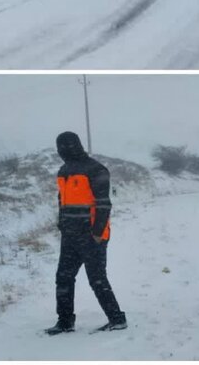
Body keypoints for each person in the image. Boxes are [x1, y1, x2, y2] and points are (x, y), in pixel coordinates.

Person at [45, 132, 127, 335]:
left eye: (67, 145)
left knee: (96, 278)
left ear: (76, 145)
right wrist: (61, 223)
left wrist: (98, 232)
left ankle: (117, 319)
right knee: (63, 278)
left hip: (92, 235)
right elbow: (61, 200)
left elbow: (103, 204)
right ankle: (65, 322)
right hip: (70, 235)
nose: (63, 149)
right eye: (60, 146)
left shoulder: (96, 169)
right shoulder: (63, 171)